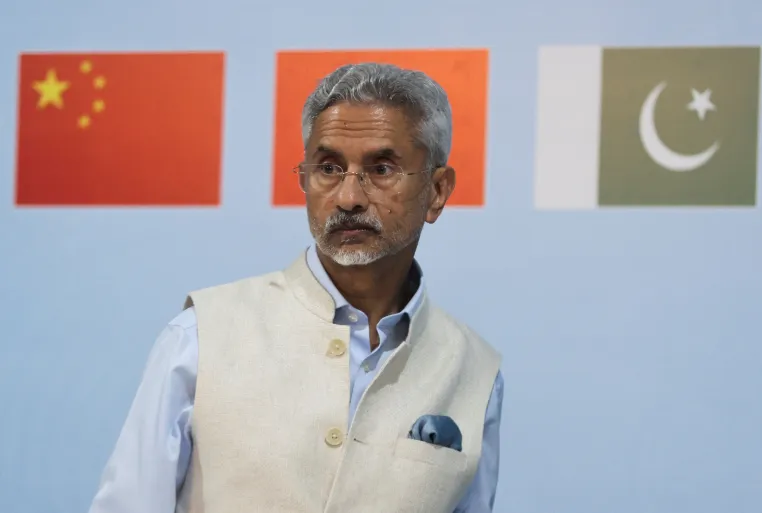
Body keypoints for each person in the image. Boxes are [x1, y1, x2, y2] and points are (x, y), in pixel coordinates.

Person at [88, 62, 504, 513]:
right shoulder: (201, 337)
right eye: (329, 167)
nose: (348, 197)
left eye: (381, 168)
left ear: (438, 191)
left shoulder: (474, 370)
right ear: (305, 178)